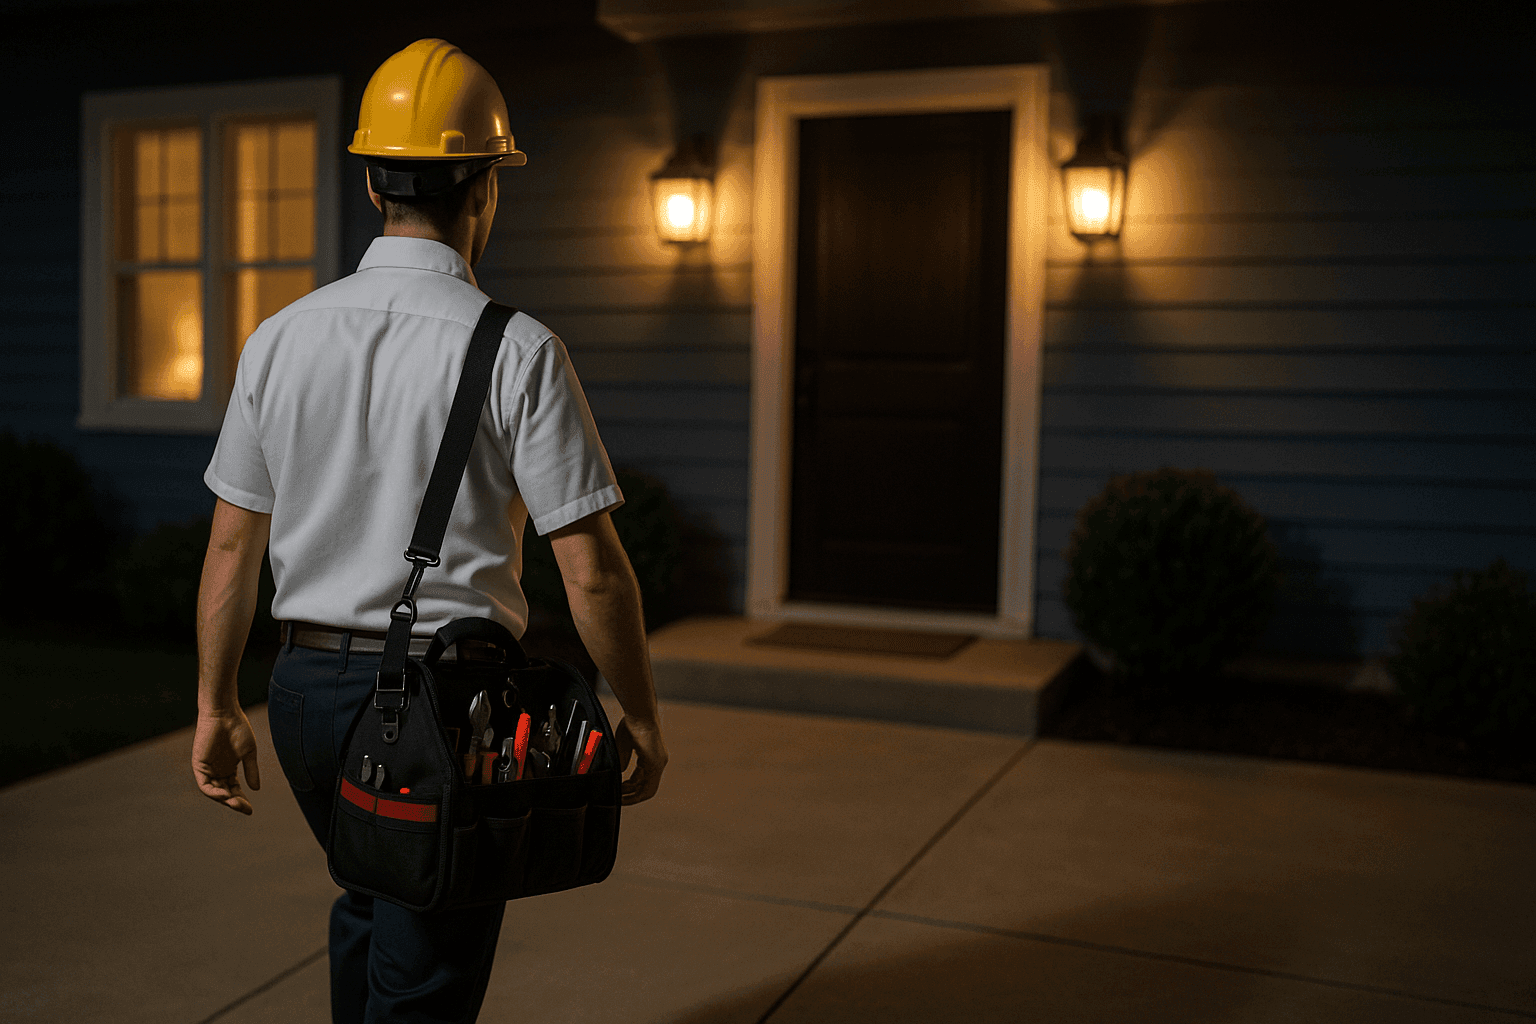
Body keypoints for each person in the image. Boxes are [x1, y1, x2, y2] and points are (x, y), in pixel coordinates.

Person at [190, 38, 668, 1023]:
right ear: (485, 188)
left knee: (372, 898)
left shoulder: (278, 338)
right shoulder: (519, 350)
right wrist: (641, 710)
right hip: (443, 709)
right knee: (428, 960)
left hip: (306, 701)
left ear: (373, 183)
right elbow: (594, 572)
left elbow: (233, 545)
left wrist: (214, 703)